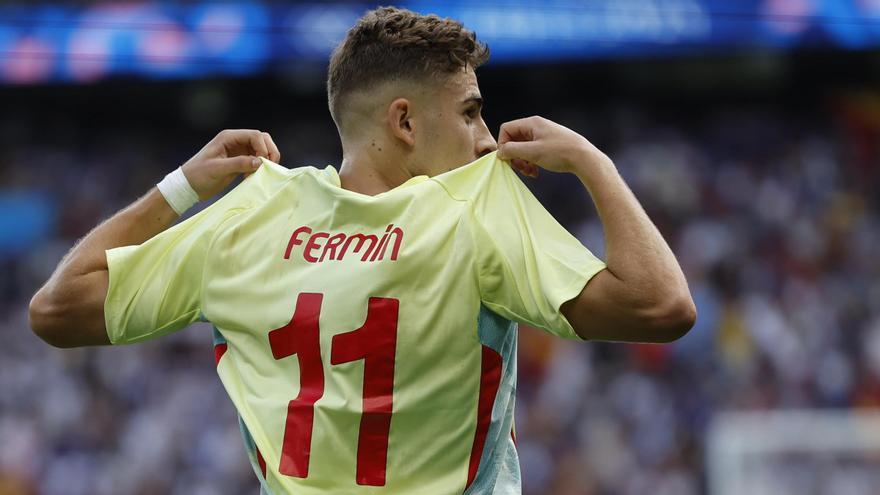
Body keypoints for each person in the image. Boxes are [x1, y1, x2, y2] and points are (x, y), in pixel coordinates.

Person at [28, 6, 696, 494]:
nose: (487, 140)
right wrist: (591, 161)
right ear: (404, 121)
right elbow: (661, 304)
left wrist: (180, 187)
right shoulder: (470, 208)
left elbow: (57, 308)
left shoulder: (248, 215)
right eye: (469, 112)